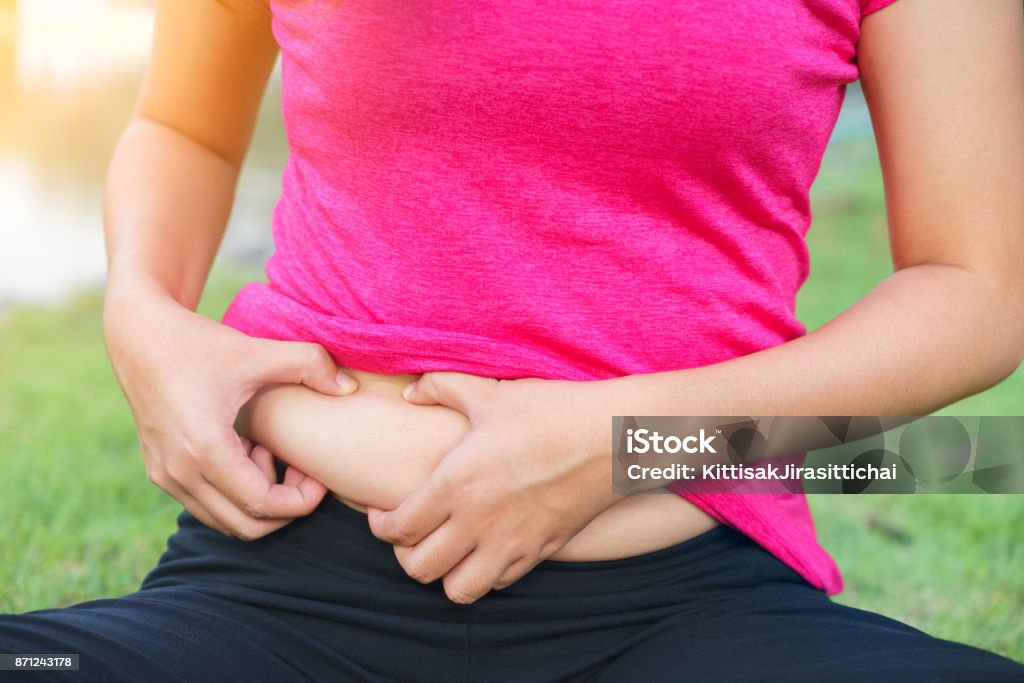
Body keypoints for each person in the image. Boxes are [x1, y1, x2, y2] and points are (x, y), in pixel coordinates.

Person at [2, 0, 1023, 680]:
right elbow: (186, 127)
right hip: (277, 577)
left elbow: (975, 289)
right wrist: (140, 312)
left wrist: (621, 439)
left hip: (688, 600)